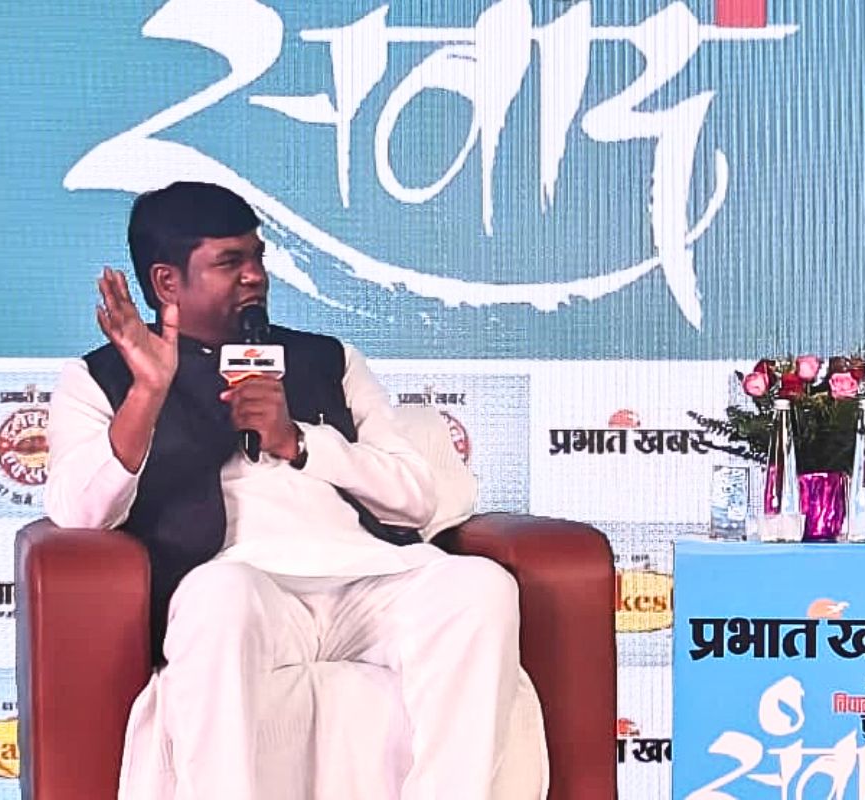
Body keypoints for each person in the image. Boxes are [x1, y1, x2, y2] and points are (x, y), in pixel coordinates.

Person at [44, 181, 522, 800]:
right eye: (229, 262)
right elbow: (79, 513)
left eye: (257, 257)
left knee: (479, 585)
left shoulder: (329, 359)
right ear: (167, 282)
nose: (255, 276)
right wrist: (147, 394)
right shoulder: (98, 378)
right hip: (246, 588)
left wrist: (300, 442)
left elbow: (416, 498)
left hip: (368, 586)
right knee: (219, 594)